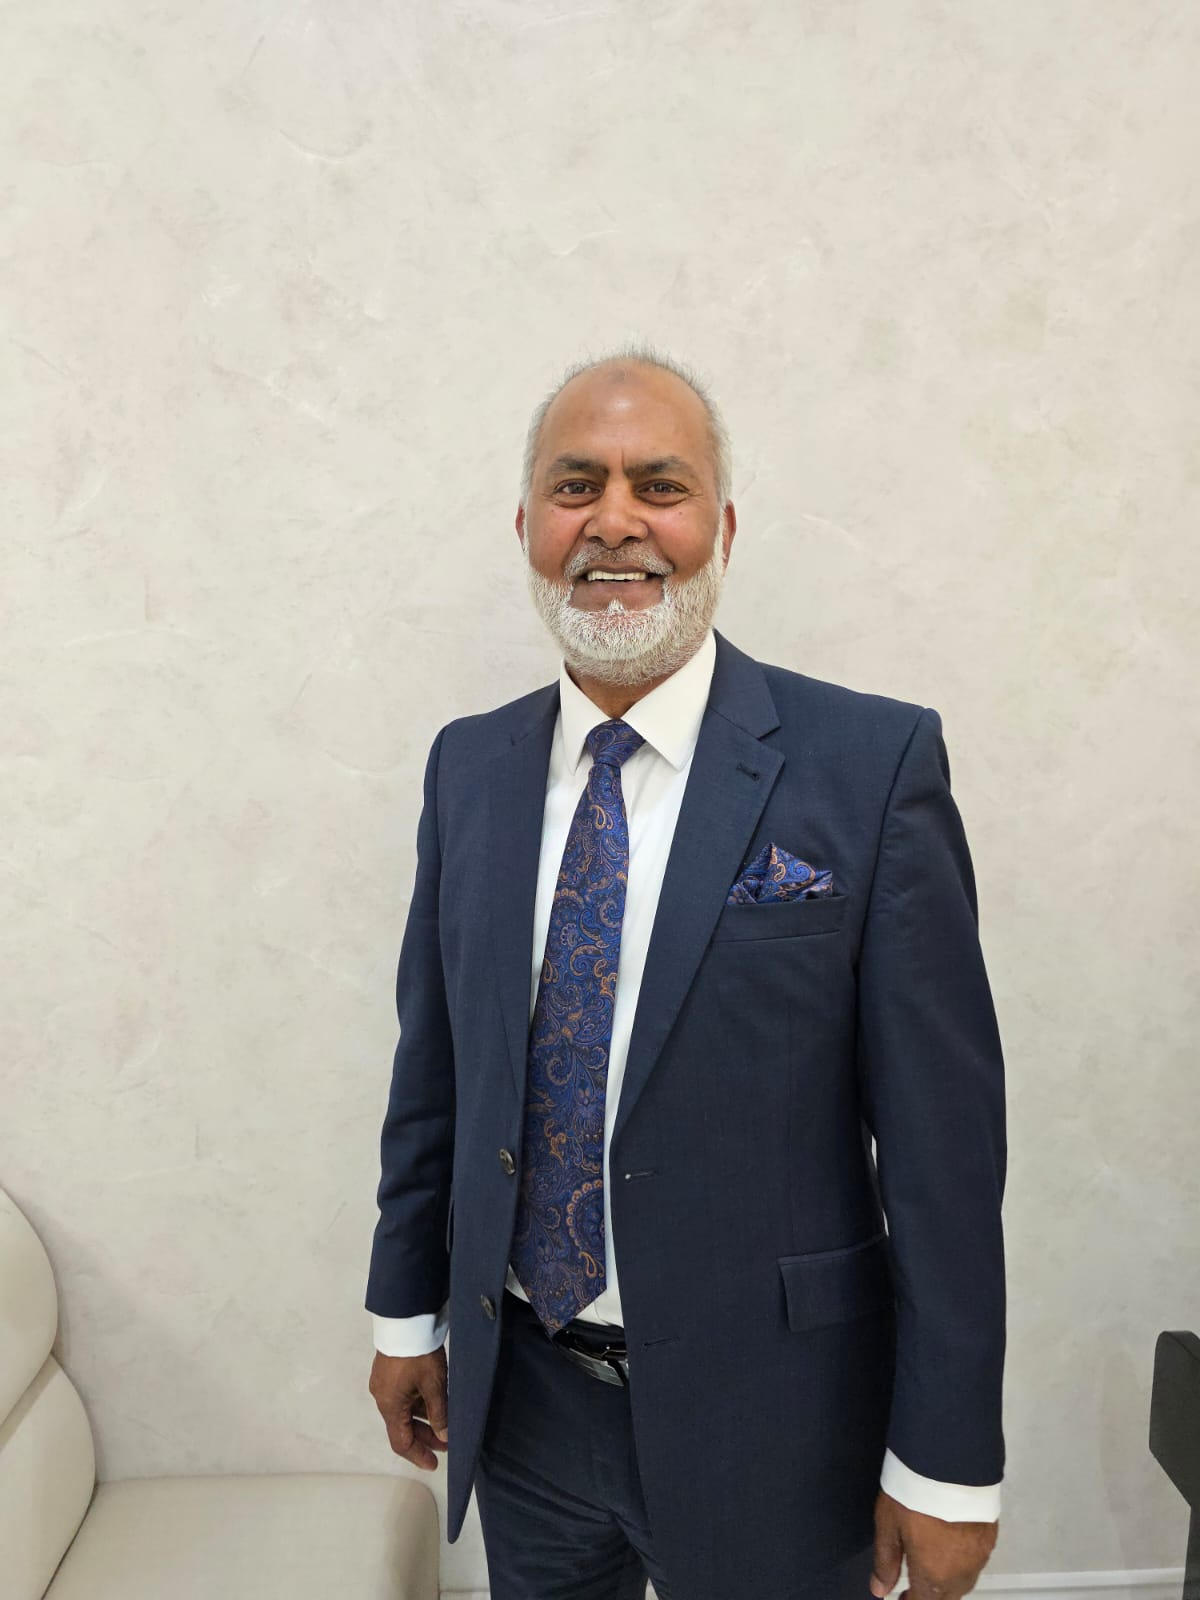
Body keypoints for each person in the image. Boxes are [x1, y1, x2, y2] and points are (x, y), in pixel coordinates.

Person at [366, 346, 1006, 1600]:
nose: (614, 521)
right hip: (527, 1401)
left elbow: (944, 1153)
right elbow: (433, 1067)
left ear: (722, 526)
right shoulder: (469, 768)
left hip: (782, 1421)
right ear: (527, 528)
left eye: (658, 485)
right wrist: (406, 1313)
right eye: (576, 486)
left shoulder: (871, 766)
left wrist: (947, 1459)